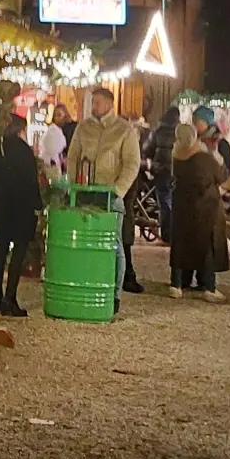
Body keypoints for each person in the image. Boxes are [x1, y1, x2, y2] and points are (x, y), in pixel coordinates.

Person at [69, 87, 142, 307]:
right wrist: (75, 184)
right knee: (85, 241)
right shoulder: (84, 127)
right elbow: (73, 157)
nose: (94, 107)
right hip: (86, 194)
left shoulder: (124, 130)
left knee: (115, 245)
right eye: (93, 103)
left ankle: (115, 294)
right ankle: (88, 283)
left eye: (98, 102)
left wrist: (118, 190)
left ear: (110, 104)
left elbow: (132, 163)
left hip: (110, 195)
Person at [0, 115, 43, 317]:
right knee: (18, 253)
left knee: (0, 250)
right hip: (22, 208)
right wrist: (38, 206)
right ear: (21, 130)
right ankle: (10, 299)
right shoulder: (25, 152)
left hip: (2, 206)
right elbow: (31, 181)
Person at [166, 121, 229, 302]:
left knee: (180, 244)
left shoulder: (176, 157)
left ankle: (176, 284)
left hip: (181, 206)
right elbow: (221, 176)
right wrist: (216, 154)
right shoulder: (203, 158)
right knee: (206, 245)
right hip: (205, 207)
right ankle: (209, 287)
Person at [142, 107, 180, 243]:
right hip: (177, 172)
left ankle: (166, 235)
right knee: (176, 203)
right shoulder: (180, 133)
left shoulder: (157, 131)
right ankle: (176, 234)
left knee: (164, 203)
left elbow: (146, 149)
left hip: (161, 171)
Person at [39, 105, 70, 177]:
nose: (58, 118)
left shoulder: (62, 129)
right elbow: (52, 147)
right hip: (51, 163)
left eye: (60, 115)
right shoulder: (52, 130)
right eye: (56, 115)